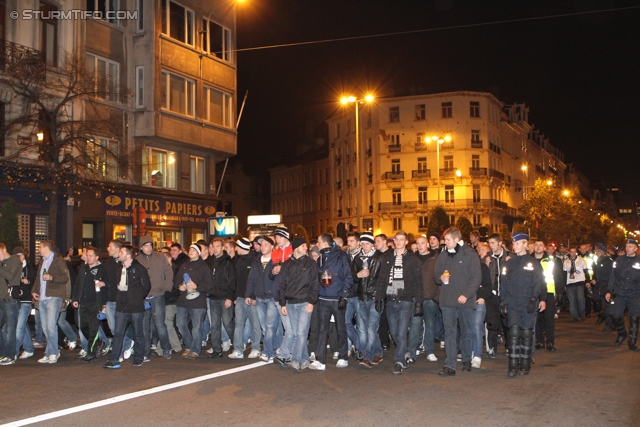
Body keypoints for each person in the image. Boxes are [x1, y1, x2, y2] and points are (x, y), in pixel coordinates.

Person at [434, 227, 481, 376]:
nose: (445, 243)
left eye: (447, 240)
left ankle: (467, 359)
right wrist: (441, 277)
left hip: (464, 301)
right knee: (450, 333)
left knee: (466, 331)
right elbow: (436, 275)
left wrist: (466, 295)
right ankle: (450, 365)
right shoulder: (443, 255)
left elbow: (476, 277)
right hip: (447, 300)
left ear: (456, 240)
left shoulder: (470, 254)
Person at [500, 232, 546, 377]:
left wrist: (534, 299)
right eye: (514, 243)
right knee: (513, 334)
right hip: (513, 303)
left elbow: (538, 282)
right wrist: (503, 301)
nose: (515, 246)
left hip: (527, 304)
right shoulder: (510, 263)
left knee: (526, 334)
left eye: (518, 243)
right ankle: (513, 366)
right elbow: (504, 283)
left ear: (525, 244)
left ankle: (525, 365)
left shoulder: (533, 263)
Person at [377, 231, 423, 375]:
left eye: (401, 240)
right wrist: (379, 297)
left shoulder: (412, 259)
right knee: (394, 331)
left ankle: (399, 361)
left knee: (402, 332)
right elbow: (382, 279)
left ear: (406, 242)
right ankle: (404, 353)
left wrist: (419, 303)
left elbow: (418, 282)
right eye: (396, 239)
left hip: (405, 300)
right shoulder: (387, 257)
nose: (398, 242)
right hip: (390, 299)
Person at [309, 233, 353, 371]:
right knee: (322, 329)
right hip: (323, 298)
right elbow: (318, 277)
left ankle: (343, 356)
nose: (317, 244)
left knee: (340, 328)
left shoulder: (341, 256)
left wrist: (344, 295)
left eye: (318, 242)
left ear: (325, 243)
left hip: (337, 297)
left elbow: (348, 276)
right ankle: (320, 360)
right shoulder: (320, 258)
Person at [103, 244, 151, 369]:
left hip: (135, 307)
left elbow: (146, 286)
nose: (119, 254)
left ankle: (139, 358)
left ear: (128, 255)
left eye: (122, 252)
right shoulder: (119, 268)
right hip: (121, 307)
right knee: (118, 333)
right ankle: (113, 359)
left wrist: (137, 297)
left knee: (138, 333)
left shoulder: (139, 269)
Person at [278, 238, 319, 371]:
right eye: (303, 245)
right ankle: (305, 358)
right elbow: (281, 285)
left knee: (301, 333)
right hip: (290, 303)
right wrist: (283, 304)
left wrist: (311, 302)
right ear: (296, 248)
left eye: (306, 245)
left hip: (304, 303)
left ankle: (295, 359)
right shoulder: (286, 265)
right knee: (297, 333)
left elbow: (315, 284)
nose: (306, 247)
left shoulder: (311, 264)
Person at [31, 240, 71, 364]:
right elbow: (38, 278)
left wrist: (51, 278)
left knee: (50, 326)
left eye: (40, 247)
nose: (39, 250)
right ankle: (51, 352)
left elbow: (65, 278)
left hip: (54, 297)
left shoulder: (59, 260)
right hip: (42, 298)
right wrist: (34, 290)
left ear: (47, 248)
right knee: (45, 327)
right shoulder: (42, 261)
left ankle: (53, 352)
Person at [136, 236, 174, 361]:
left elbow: (169, 273)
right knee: (144, 326)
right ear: (141, 247)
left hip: (158, 295)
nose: (148, 248)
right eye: (145, 246)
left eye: (150, 245)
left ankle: (166, 347)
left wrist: (168, 288)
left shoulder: (160, 257)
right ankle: (145, 352)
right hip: (143, 297)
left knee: (159, 325)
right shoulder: (137, 260)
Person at [174, 244, 213, 359]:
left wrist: (197, 286)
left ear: (199, 253)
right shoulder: (184, 265)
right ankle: (189, 345)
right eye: (190, 249)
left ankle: (195, 350)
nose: (191, 251)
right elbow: (176, 281)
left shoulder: (204, 267)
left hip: (198, 302)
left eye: (194, 250)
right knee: (180, 324)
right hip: (183, 300)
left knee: (197, 327)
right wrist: (180, 286)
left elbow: (209, 285)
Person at [71, 246, 107, 362]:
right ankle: (99, 343)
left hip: (95, 302)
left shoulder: (102, 269)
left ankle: (91, 352)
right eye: (87, 255)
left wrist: (103, 284)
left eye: (91, 255)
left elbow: (109, 284)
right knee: (82, 326)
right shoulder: (83, 269)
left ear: (97, 257)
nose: (88, 257)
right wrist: (75, 298)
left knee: (93, 328)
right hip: (83, 302)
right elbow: (77, 285)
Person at [407, 236, 440, 364]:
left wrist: (436, 298)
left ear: (427, 245)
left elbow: (439, 279)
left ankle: (430, 351)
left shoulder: (435, 258)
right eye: (418, 243)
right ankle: (411, 351)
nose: (420, 246)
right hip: (415, 298)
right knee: (415, 325)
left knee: (430, 325)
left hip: (430, 298)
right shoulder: (411, 258)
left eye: (422, 243)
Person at [245, 236, 278, 363]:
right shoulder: (256, 261)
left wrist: (278, 296)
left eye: (265, 244)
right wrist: (248, 294)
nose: (263, 247)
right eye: (261, 244)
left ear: (271, 246)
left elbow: (280, 280)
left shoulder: (276, 260)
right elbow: (251, 279)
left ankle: (267, 352)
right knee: (265, 327)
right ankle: (273, 349)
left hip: (271, 298)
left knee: (270, 326)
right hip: (259, 297)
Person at [353, 232, 383, 368]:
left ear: (372, 245)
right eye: (363, 244)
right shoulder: (358, 259)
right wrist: (357, 275)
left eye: (367, 244)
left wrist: (380, 295)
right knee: (366, 327)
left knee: (371, 327)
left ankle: (368, 357)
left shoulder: (379, 258)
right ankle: (378, 351)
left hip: (374, 297)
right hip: (361, 297)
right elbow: (351, 277)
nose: (365, 246)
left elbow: (383, 279)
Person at [229, 238, 262, 359]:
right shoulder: (238, 261)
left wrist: (253, 296)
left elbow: (256, 281)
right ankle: (238, 349)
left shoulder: (255, 260)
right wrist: (235, 296)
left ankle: (256, 348)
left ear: (242, 247)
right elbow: (236, 280)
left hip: (251, 298)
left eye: (237, 246)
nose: (236, 249)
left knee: (255, 324)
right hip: (240, 298)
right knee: (238, 324)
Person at [606, 238, 640, 351]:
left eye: (630, 246)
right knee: (615, 313)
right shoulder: (619, 260)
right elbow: (613, 276)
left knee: (634, 318)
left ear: (636, 248)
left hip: (635, 293)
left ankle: (632, 343)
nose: (627, 248)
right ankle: (622, 333)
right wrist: (609, 291)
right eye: (626, 246)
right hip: (620, 292)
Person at [207, 238, 236, 358]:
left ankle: (237, 344)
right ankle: (217, 349)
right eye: (213, 246)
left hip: (224, 297)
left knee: (227, 323)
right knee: (214, 325)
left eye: (217, 246)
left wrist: (229, 297)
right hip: (213, 297)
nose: (215, 249)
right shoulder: (210, 262)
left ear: (223, 247)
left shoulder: (228, 262)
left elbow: (232, 281)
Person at [487, 233, 513, 356]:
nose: (490, 245)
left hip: (506, 294)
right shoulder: (488, 258)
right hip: (492, 295)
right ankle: (492, 348)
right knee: (492, 322)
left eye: (493, 243)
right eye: (489, 243)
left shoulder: (509, 257)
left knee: (507, 321)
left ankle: (509, 346)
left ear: (500, 243)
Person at [533, 241, 558, 352]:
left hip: (548, 291)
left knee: (549, 318)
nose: (538, 247)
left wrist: (559, 291)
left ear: (544, 248)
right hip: (534, 293)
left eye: (540, 245)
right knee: (537, 318)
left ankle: (550, 342)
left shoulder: (550, 260)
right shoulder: (530, 260)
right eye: (536, 245)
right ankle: (539, 341)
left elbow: (557, 275)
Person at [0, 243, 22, 365]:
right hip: (1, 299)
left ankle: (10, 355)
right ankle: (2, 354)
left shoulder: (15, 260)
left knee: (9, 330)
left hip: (10, 300)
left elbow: (9, 275)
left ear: (4, 250)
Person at [12, 247, 36, 360]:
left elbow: (35, 285)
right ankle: (29, 348)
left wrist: (28, 282)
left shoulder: (29, 269)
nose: (19, 257)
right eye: (16, 256)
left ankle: (13, 352)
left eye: (21, 255)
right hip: (15, 301)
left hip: (26, 301)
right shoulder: (13, 268)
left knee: (19, 327)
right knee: (23, 325)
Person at [345, 231, 361, 357]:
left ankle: (361, 349)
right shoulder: (345, 255)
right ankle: (358, 344)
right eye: (348, 241)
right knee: (345, 322)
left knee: (361, 323)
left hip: (359, 294)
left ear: (358, 242)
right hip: (348, 293)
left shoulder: (362, 256)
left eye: (352, 241)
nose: (349, 243)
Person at [374, 234, 392, 351]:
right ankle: (384, 341)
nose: (376, 244)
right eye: (375, 241)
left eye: (378, 241)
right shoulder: (376, 256)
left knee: (390, 318)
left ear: (385, 242)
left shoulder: (392, 255)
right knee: (381, 318)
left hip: (391, 291)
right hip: (380, 290)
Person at [591, 243, 613, 330]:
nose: (595, 251)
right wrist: (594, 279)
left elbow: (607, 275)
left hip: (605, 285)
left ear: (601, 251)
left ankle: (609, 324)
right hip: (598, 285)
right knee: (595, 300)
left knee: (607, 306)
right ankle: (602, 316)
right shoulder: (599, 260)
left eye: (597, 250)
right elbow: (596, 272)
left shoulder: (608, 261)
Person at [564, 247, 587, 321]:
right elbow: (564, 273)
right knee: (572, 300)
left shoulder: (581, 260)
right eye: (571, 252)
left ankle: (582, 313)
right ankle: (574, 316)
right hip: (570, 282)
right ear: (569, 253)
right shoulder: (566, 262)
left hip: (579, 281)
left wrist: (587, 281)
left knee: (580, 298)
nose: (573, 253)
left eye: (574, 252)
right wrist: (564, 284)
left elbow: (585, 270)